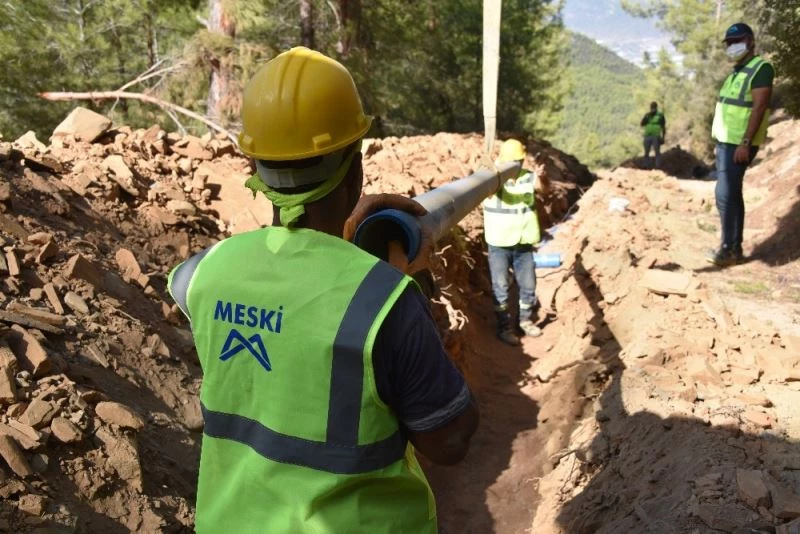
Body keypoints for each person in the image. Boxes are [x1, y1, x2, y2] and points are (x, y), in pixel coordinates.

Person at [167, 47, 478, 533]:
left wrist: (341, 250)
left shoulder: (205, 273)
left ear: (255, 167)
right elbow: (450, 442)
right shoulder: (385, 302)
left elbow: (277, 298)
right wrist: (408, 280)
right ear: (354, 172)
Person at [708, 22, 774, 266]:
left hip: (739, 144)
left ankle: (731, 249)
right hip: (726, 143)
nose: (732, 46)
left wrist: (745, 143)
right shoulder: (738, 70)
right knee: (726, 193)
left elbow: (759, 107)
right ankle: (730, 246)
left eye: (737, 41)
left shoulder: (761, 69)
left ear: (750, 41)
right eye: (729, 43)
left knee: (727, 194)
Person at [482, 139, 543, 346]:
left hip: (523, 243)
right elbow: (481, 186)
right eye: (514, 161)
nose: (518, 165)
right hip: (499, 244)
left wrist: (543, 179)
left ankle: (525, 321)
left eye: (520, 161)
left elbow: (543, 188)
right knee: (500, 287)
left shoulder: (528, 178)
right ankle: (504, 328)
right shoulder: (491, 180)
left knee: (528, 285)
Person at [640, 102, 666, 169]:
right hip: (647, 135)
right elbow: (642, 124)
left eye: (654, 107)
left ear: (656, 108)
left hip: (656, 135)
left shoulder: (660, 115)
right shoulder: (647, 115)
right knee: (646, 152)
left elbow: (663, 127)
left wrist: (663, 137)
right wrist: (646, 117)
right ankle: (645, 165)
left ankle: (658, 166)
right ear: (650, 108)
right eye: (652, 107)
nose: (652, 109)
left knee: (657, 151)